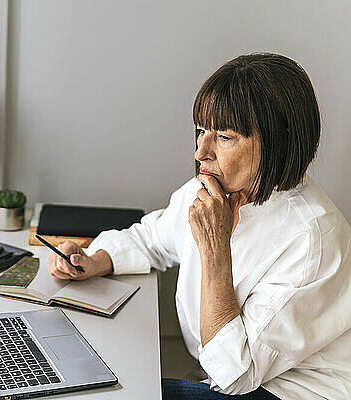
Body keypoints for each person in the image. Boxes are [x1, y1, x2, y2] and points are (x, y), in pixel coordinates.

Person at [48, 53, 351, 400]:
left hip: (285, 391)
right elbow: (153, 237)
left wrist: (215, 249)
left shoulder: (313, 239)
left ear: (276, 142)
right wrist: (92, 259)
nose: (200, 151)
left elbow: (235, 375)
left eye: (223, 136)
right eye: (200, 131)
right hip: (226, 379)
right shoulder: (214, 189)